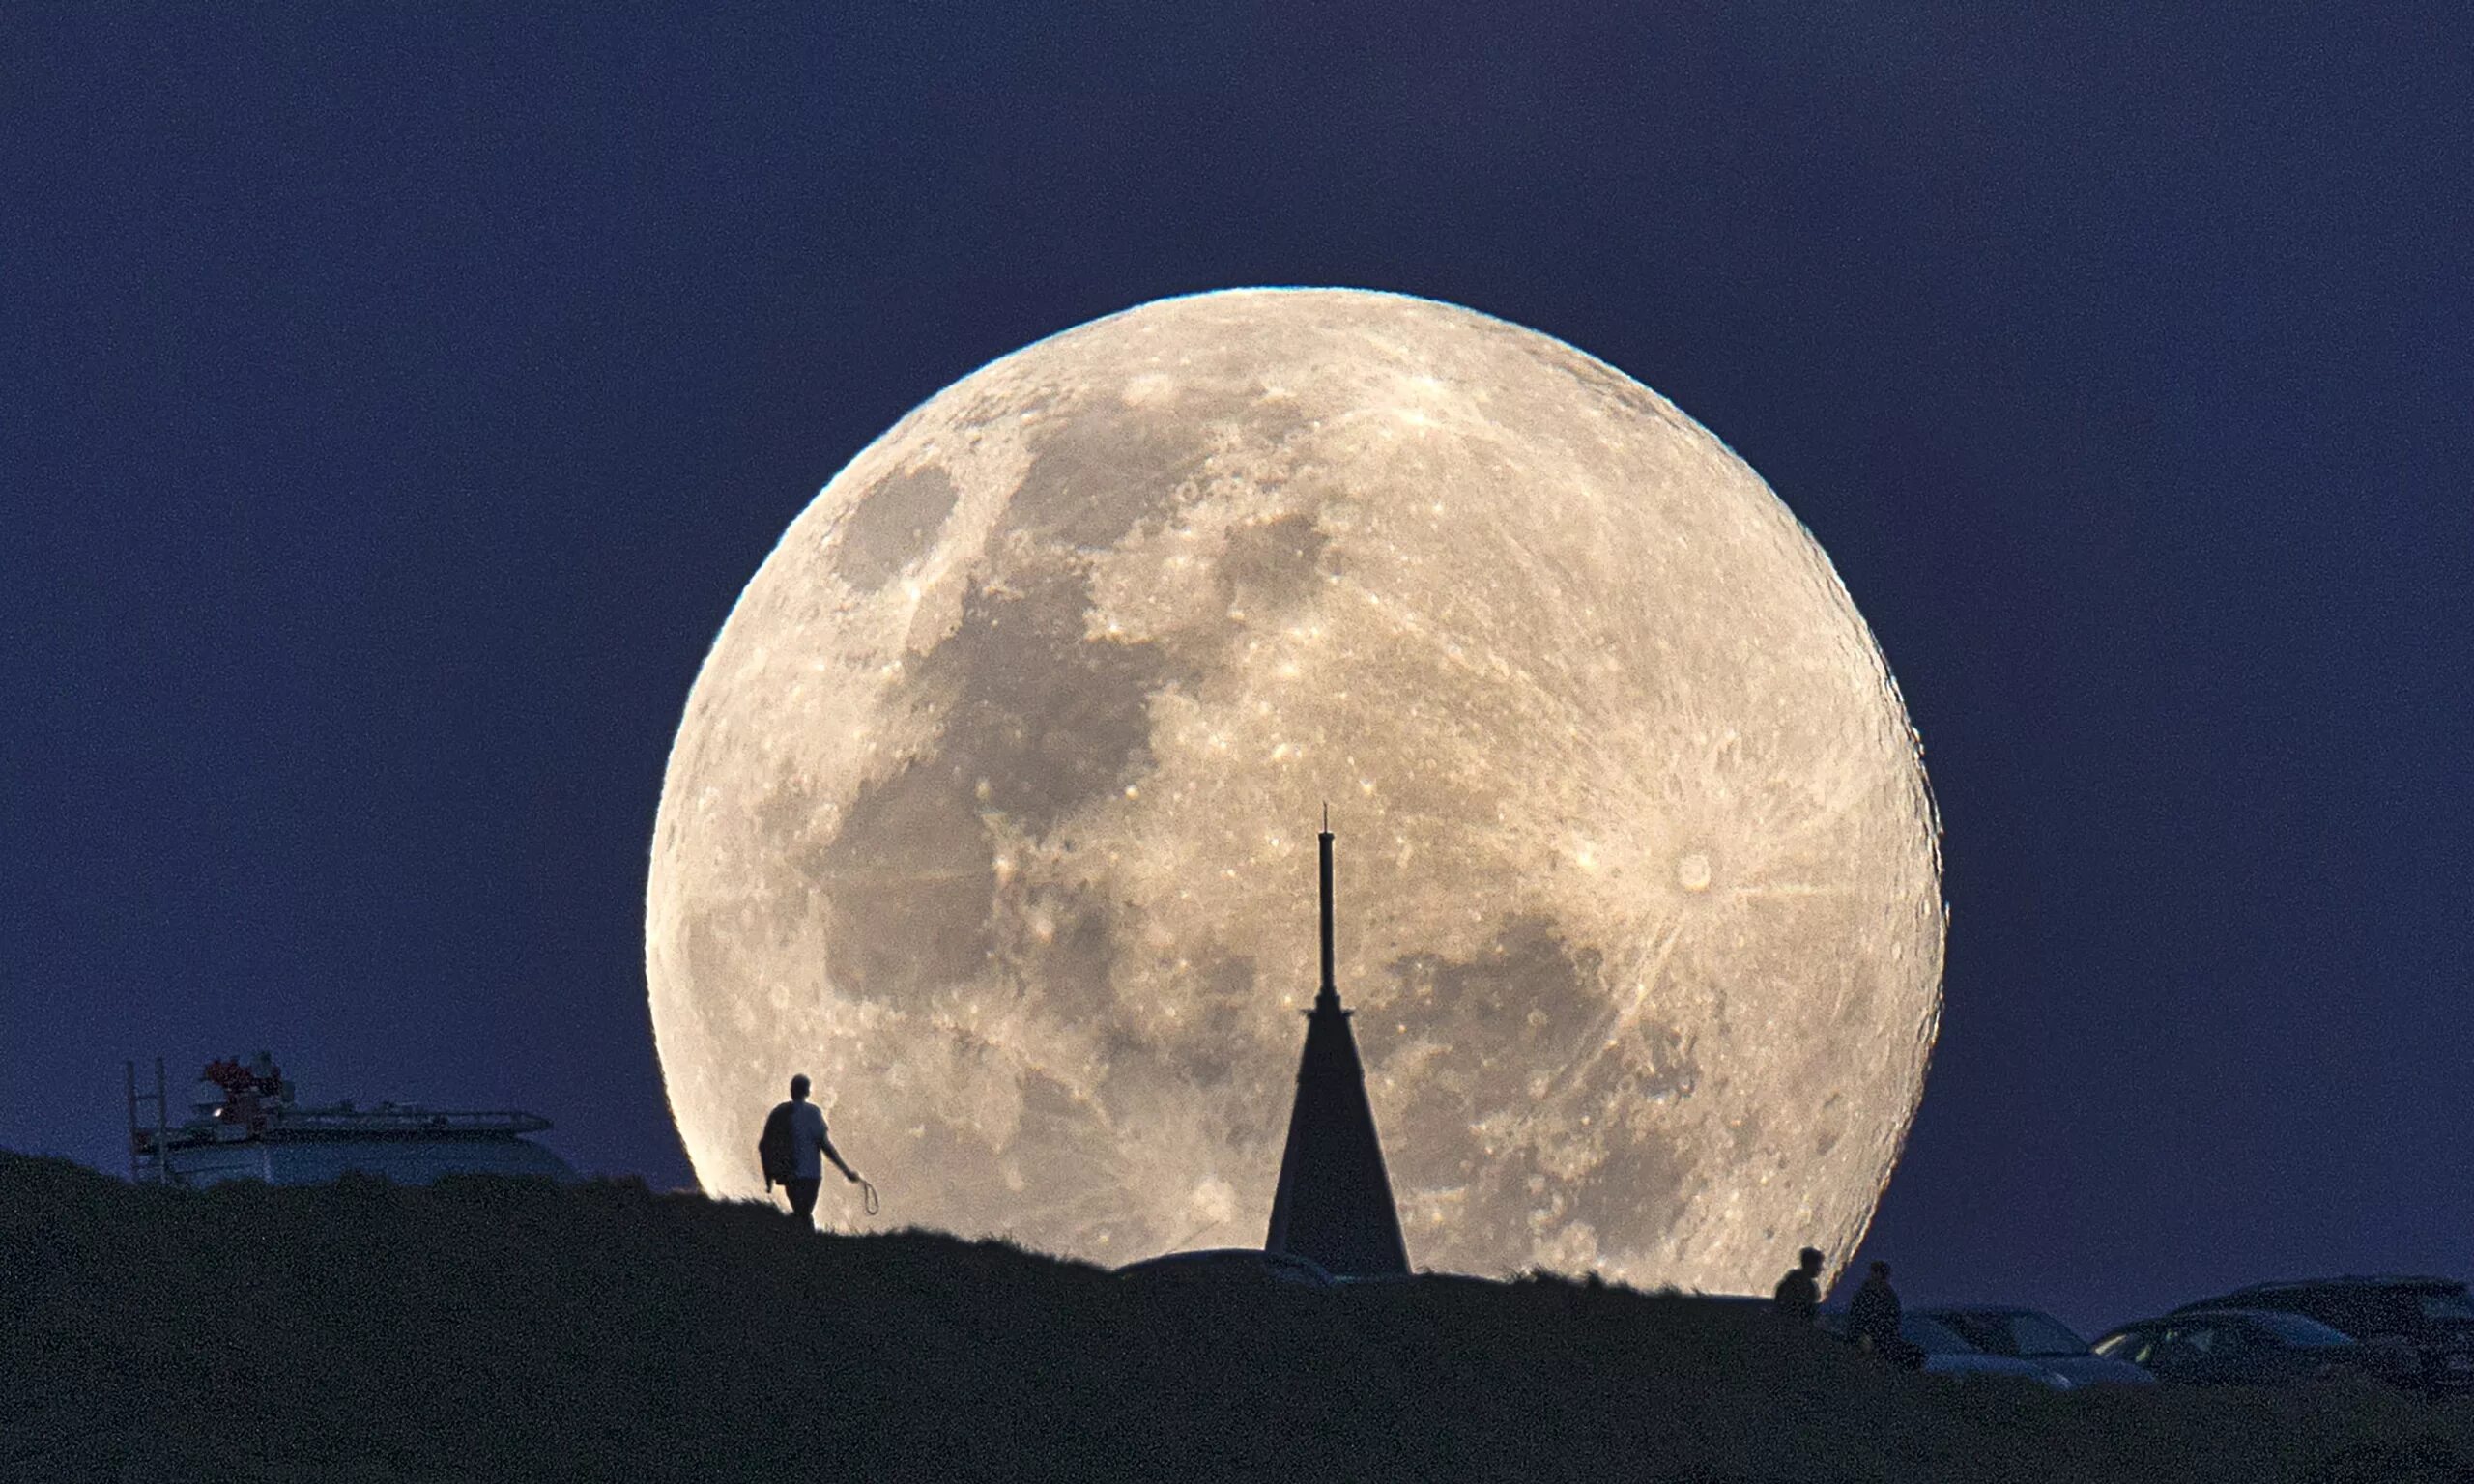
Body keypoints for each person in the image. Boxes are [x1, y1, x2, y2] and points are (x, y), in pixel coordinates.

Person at [759, 1074, 861, 1227]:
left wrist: (769, 1176)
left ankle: (802, 1240)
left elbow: (764, 1145)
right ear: (807, 1092)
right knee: (803, 1213)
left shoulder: (780, 1112)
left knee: (801, 1213)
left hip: (792, 1175)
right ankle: (807, 1242)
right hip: (810, 1176)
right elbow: (826, 1147)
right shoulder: (812, 1113)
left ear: (792, 1090)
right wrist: (846, 1171)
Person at [1849, 1260, 1904, 1356]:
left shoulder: (1886, 1295)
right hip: (1867, 1335)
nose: (1870, 1275)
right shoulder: (1867, 1292)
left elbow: (1891, 1320)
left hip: (1879, 1337)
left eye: (1873, 1272)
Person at [1772, 1247, 1824, 1324]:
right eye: (1818, 1265)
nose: (1821, 1269)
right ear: (1810, 1265)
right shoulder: (1806, 1286)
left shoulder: (1789, 1281)